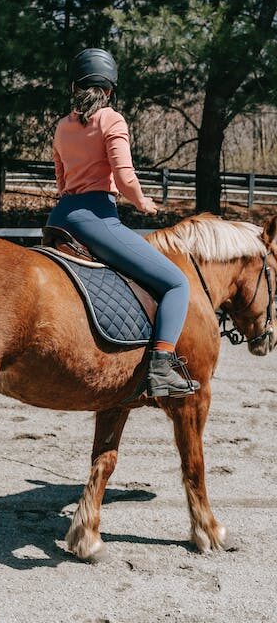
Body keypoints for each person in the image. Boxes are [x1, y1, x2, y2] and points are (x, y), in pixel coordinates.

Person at [47, 47, 199, 398]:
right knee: (177, 283)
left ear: (74, 88)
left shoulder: (61, 126)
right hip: (96, 218)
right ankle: (161, 367)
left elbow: (60, 179)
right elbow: (125, 176)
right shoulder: (111, 120)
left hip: (60, 218)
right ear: (110, 90)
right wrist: (143, 202)